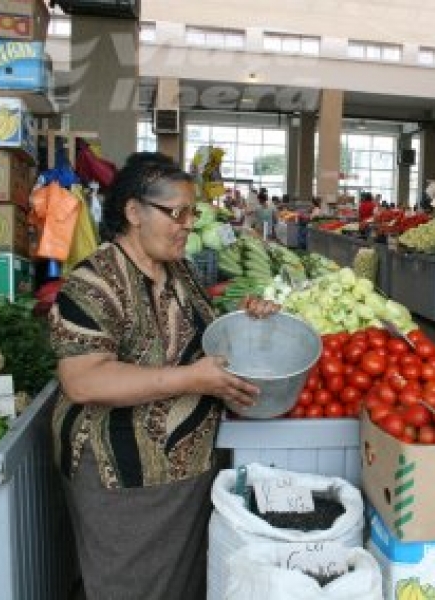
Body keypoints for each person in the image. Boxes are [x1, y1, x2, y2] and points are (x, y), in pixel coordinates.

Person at [48, 152, 279, 600]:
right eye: (177, 212)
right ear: (134, 212)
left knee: (178, 584)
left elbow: (201, 335)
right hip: (123, 478)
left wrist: (246, 317)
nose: (188, 223)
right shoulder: (93, 283)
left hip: (186, 473)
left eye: (191, 213)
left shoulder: (180, 272)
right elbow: (83, 380)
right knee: (129, 585)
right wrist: (192, 380)